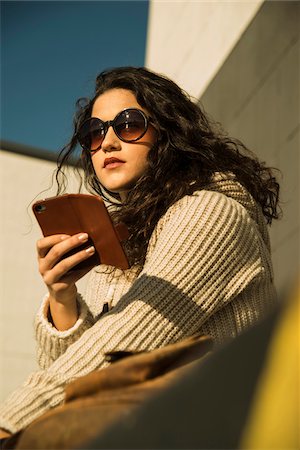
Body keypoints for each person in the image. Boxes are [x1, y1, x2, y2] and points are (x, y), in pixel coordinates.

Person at [0, 66, 280, 437]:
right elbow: (83, 382)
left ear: (169, 132)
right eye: (94, 133)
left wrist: (12, 422)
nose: (108, 143)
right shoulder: (122, 247)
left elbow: (126, 340)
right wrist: (62, 298)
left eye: (129, 124)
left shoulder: (212, 213)